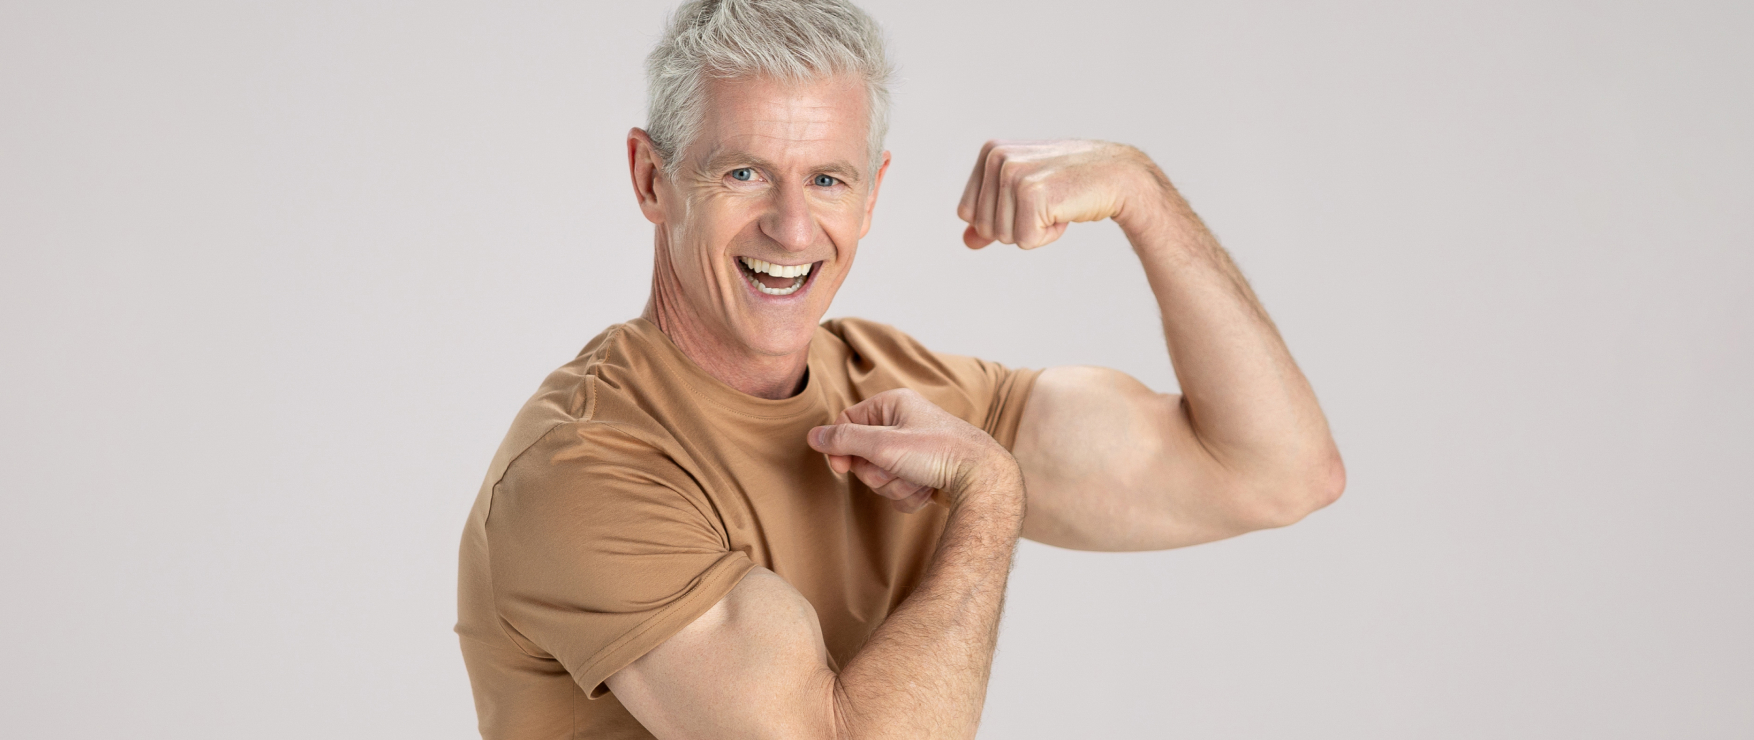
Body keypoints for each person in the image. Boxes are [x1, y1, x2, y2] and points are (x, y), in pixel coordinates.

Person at [455, 0, 1344, 737]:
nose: (794, 229)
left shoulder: (890, 384)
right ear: (652, 178)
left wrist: (1144, 196)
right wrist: (991, 497)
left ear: (874, 193)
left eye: (829, 181)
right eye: (744, 173)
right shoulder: (584, 471)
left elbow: (1275, 471)